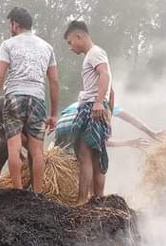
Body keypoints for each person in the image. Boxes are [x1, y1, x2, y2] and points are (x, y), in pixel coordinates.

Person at [0, 7, 59, 195]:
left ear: (15, 23)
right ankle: (37, 194)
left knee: (13, 146)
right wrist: (54, 114)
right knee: (37, 150)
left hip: (14, 96)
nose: (9, 28)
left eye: (10, 24)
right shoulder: (47, 47)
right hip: (37, 99)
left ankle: (18, 192)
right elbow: (54, 81)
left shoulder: (8, 44)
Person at [62, 20, 113, 201]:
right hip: (97, 107)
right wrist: (107, 110)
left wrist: (98, 103)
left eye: (70, 42)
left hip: (92, 107)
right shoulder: (95, 54)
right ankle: (97, 199)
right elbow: (111, 89)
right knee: (96, 155)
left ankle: (82, 201)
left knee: (85, 155)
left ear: (79, 36)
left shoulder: (94, 53)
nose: (70, 47)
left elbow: (105, 75)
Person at [55, 99, 162, 149]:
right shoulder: (104, 105)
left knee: (72, 158)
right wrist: (150, 132)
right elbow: (130, 118)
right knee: (94, 161)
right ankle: (94, 193)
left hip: (61, 125)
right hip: (78, 122)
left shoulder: (83, 101)